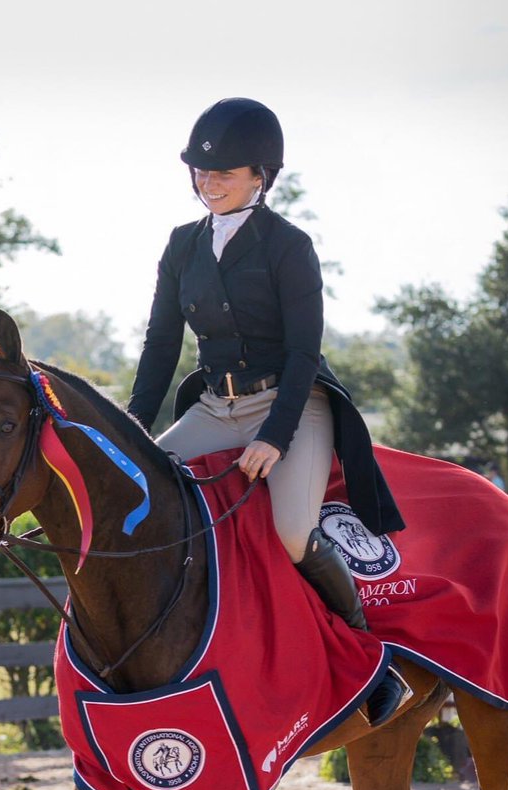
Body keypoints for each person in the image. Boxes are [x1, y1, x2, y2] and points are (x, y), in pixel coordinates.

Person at [127, 97, 405, 631]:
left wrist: (275, 437)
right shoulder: (181, 245)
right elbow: (161, 343)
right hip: (214, 407)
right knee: (139, 491)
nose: (208, 183)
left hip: (291, 405)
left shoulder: (289, 246)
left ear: (260, 175)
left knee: (294, 532)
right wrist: (131, 431)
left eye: (223, 173)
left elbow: (305, 351)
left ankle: (360, 637)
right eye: (200, 171)